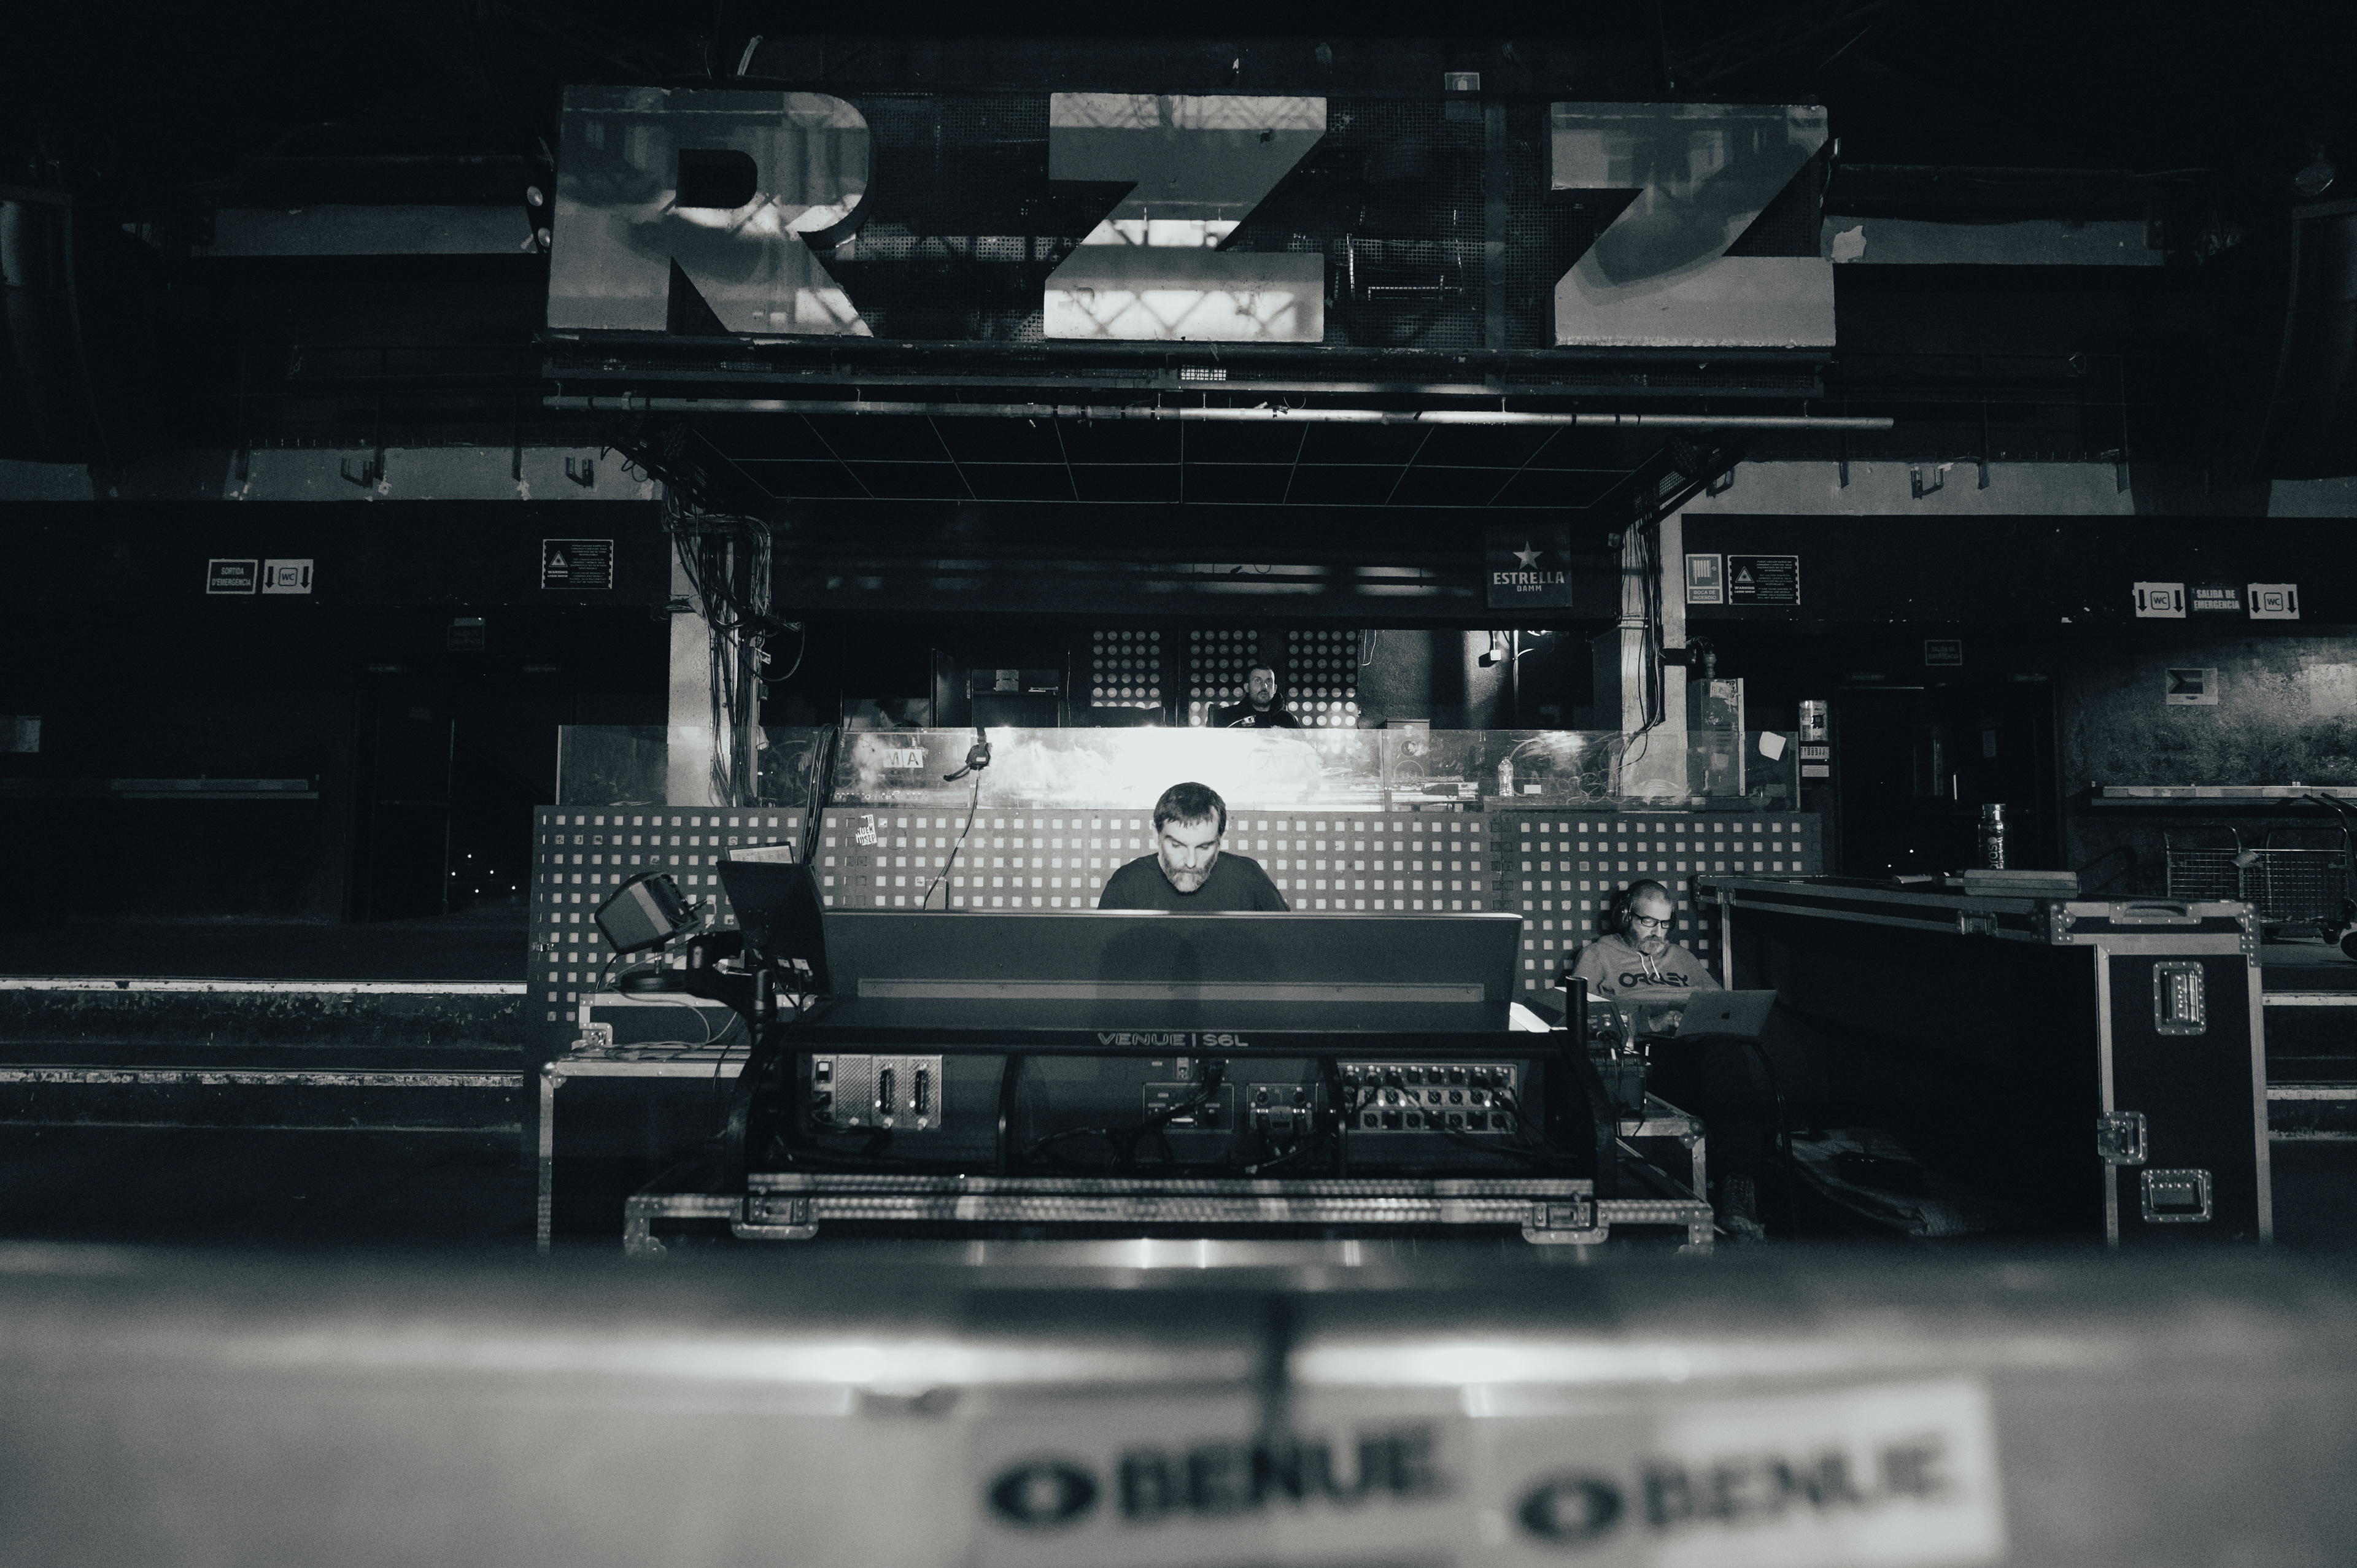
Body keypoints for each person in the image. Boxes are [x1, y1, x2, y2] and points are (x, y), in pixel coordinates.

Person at [1566, 879, 1770, 1243]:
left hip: (1698, 1049)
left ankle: (1737, 1186)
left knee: (1726, 1057)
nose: (1658, 933)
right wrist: (1650, 1024)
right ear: (1625, 916)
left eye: (1665, 924)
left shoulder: (1682, 959)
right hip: (1645, 1056)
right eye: (1648, 922)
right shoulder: (1598, 956)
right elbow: (1579, 1018)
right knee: (1717, 1073)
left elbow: (1720, 1006)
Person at [1097, 782, 1290, 911]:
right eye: (1177, 846)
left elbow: (1289, 950)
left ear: (1221, 838)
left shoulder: (1248, 878)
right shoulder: (1127, 884)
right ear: (1156, 834)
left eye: (1204, 847)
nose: (1191, 862)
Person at [1212, 665, 1301, 728]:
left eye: (1269, 682)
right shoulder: (1229, 717)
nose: (1264, 686)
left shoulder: (1288, 720)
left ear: (1275, 689)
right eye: (1258, 681)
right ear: (1247, 687)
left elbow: (1303, 748)